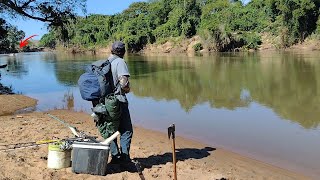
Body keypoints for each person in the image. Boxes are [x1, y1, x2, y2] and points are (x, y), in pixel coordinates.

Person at [92, 41, 133, 163]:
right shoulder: (120, 62)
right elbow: (124, 83)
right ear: (123, 52)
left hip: (105, 102)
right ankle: (124, 158)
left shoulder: (106, 62)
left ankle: (115, 156)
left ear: (111, 50)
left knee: (111, 129)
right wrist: (128, 89)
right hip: (118, 101)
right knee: (126, 130)